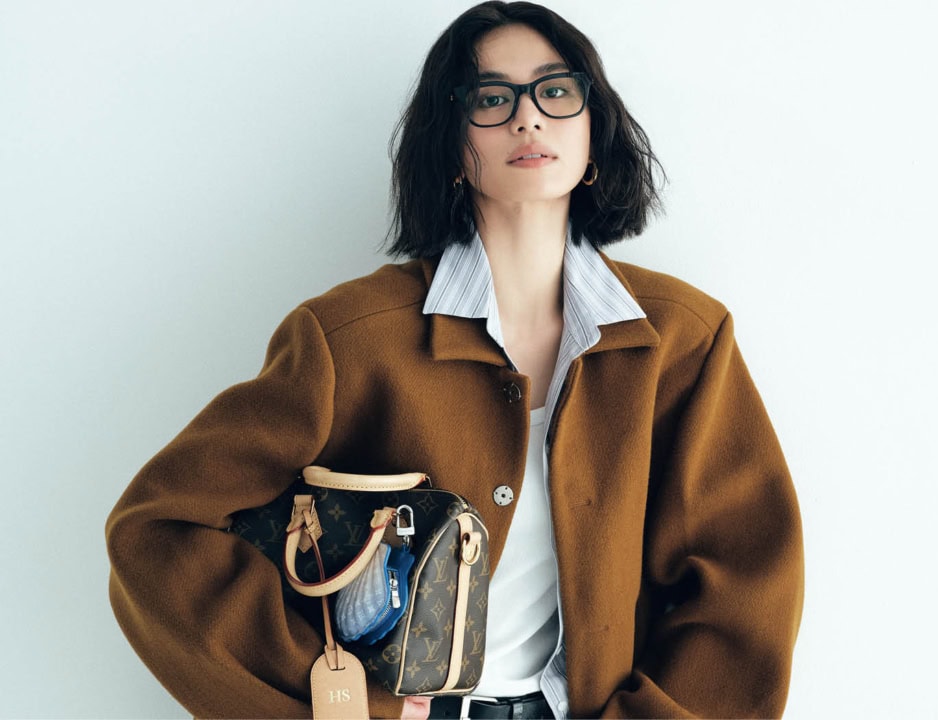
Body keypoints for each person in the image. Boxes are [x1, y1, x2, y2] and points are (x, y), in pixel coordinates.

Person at [106, 2, 804, 718]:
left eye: (556, 91)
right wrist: (344, 703)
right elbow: (160, 534)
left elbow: (745, 582)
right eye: (491, 99)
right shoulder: (347, 340)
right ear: (450, 145)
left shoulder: (682, 341)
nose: (528, 118)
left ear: (594, 130)